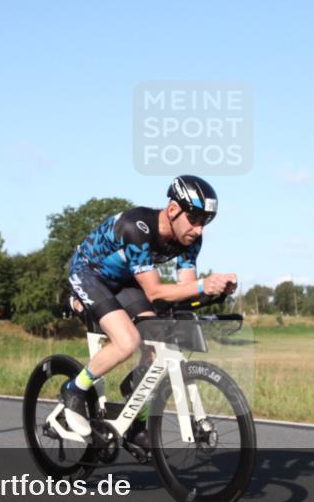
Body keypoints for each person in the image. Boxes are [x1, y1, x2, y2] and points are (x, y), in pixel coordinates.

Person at [62, 175, 237, 449]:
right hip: (89, 273)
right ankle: (74, 389)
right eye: (194, 219)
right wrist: (205, 284)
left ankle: (135, 422)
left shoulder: (191, 239)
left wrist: (214, 291)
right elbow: (154, 292)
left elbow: (186, 288)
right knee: (127, 341)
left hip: (125, 281)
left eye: (205, 222)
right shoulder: (137, 227)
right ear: (172, 209)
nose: (199, 229)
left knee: (155, 347)